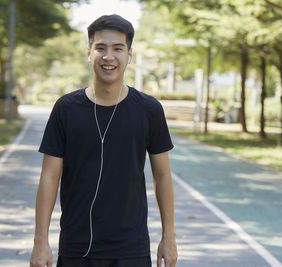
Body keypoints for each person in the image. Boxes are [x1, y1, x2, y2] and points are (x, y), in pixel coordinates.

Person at [30, 14, 177, 267]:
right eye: (101, 48)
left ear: (129, 54)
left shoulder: (149, 109)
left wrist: (169, 237)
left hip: (131, 249)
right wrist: (40, 242)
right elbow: (49, 176)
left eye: (117, 48)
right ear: (89, 53)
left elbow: (162, 175)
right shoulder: (66, 109)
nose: (109, 57)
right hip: (77, 247)